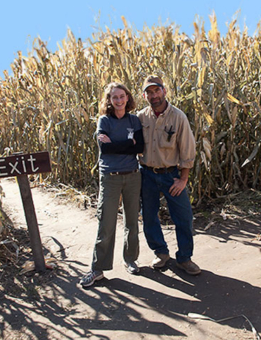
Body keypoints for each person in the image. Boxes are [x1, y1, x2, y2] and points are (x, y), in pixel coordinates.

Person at [80, 82, 144, 287]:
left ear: (127, 98)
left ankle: (130, 259)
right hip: (110, 177)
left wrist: (119, 145)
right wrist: (128, 145)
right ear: (109, 100)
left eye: (122, 96)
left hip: (133, 176)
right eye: (114, 97)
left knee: (132, 221)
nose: (118, 100)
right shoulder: (104, 121)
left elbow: (140, 146)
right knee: (106, 223)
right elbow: (105, 150)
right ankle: (98, 269)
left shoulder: (134, 120)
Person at [138, 75, 201, 275]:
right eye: (149, 92)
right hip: (146, 174)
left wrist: (183, 179)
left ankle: (184, 258)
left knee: (183, 217)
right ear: (144, 95)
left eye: (156, 91)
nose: (153, 95)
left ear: (164, 91)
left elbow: (188, 150)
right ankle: (161, 252)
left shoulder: (178, 116)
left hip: (171, 175)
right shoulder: (140, 118)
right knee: (149, 216)